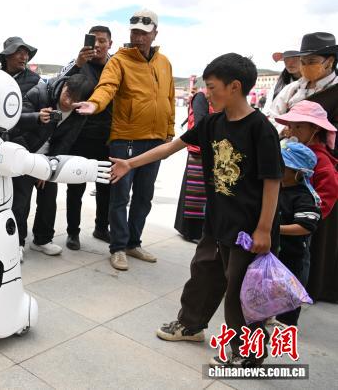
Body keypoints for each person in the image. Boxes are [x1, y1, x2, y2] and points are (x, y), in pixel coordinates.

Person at [110, 53, 282, 368]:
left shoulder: (260, 129)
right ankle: (191, 325)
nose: (206, 93)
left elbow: (273, 181)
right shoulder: (212, 123)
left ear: (234, 87)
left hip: (247, 229)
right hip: (216, 221)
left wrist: (263, 229)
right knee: (203, 273)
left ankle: (247, 353)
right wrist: (129, 164)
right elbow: (170, 147)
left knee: (241, 289)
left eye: (212, 87)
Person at [74, 9, 175, 271]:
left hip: (155, 141)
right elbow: (107, 86)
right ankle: (118, 247)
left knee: (144, 197)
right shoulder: (119, 60)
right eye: (134, 32)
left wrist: (169, 131)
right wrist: (95, 104)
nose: (138, 38)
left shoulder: (164, 63)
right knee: (120, 197)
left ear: (155, 33)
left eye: (144, 33)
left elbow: (169, 97)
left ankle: (133, 243)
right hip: (125, 139)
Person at [10, 74, 94, 258]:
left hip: (48, 159)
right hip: (24, 155)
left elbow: (67, 141)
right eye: (67, 95)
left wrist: (49, 168)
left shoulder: (80, 113)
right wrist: (36, 117)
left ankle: (42, 240)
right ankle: (16, 243)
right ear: (64, 86)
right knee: (20, 202)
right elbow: (14, 121)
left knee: (49, 199)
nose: (68, 102)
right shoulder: (40, 93)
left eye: (75, 100)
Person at [275, 100, 338, 302]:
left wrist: (309, 217)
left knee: (296, 264)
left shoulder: (322, 160)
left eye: (299, 126)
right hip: (284, 219)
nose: (292, 131)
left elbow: (328, 194)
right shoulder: (289, 150)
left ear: (315, 129)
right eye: (291, 126)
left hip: (300, 224)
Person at [57, 26, 113, 247]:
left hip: (107, 138)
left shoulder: (116, 66)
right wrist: (78, 63)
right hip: (79, 137)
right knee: (76, 187)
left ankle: (102, 228)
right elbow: (58, 83)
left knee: (106, 188)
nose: (97, 45)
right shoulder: (79, 63)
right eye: (94, 40)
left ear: (110, 44)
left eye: (102, 41)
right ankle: (73, 232)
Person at [274, 142, 321, 326]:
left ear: (298, 172)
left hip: (293, 255)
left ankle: (286, 324)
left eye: (283, 165)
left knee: (290, 292)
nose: (278, 167)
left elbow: (306, 226)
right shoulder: (277, 187)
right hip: (275, 251)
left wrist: (275, 229)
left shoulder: (304, 197)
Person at [268, 32, 338, 129]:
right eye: (303, 62)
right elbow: (273, 116)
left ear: (329, 61)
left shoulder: (335, 89)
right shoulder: (292, 88)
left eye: (312, 62)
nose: (306, 66)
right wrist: (286, 129)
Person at [174, 87, 213, 243]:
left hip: (210, 150)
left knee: (202, 193)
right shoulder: (201, 97)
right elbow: (200, 122)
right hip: (200, 149)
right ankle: (191, 232)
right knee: (195, 193)